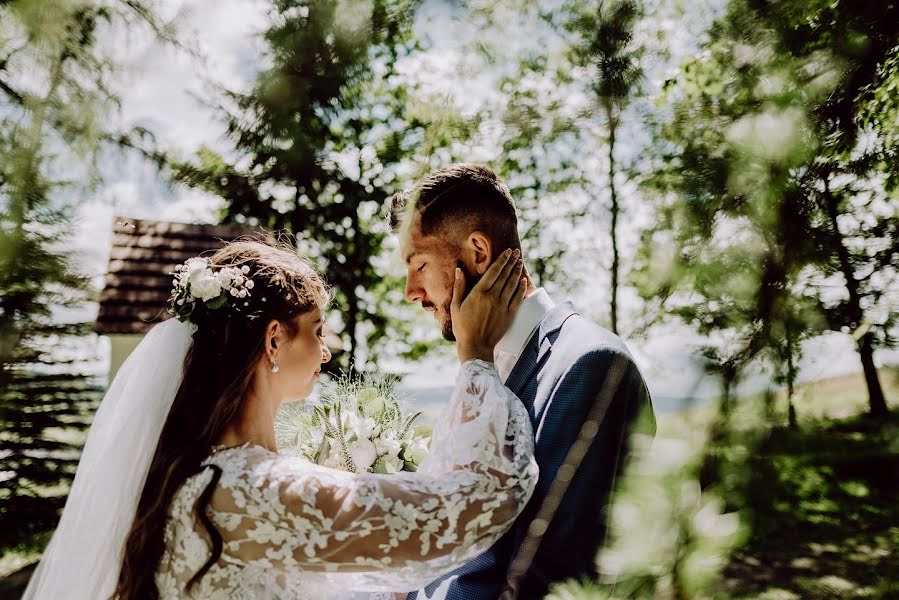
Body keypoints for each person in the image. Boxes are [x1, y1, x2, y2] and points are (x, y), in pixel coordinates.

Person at [23, 239, 537, 600]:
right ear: (273, 340)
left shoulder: (202, 477)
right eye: (316, 330)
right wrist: (475, 356)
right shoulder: (251, 490)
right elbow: (472, 505)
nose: (326, 352)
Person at [389, 164, 656, 600]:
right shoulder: (478, 366)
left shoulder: (589, 364)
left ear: (477, 252)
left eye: (418, 265)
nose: (410, 291)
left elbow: (550, 579)